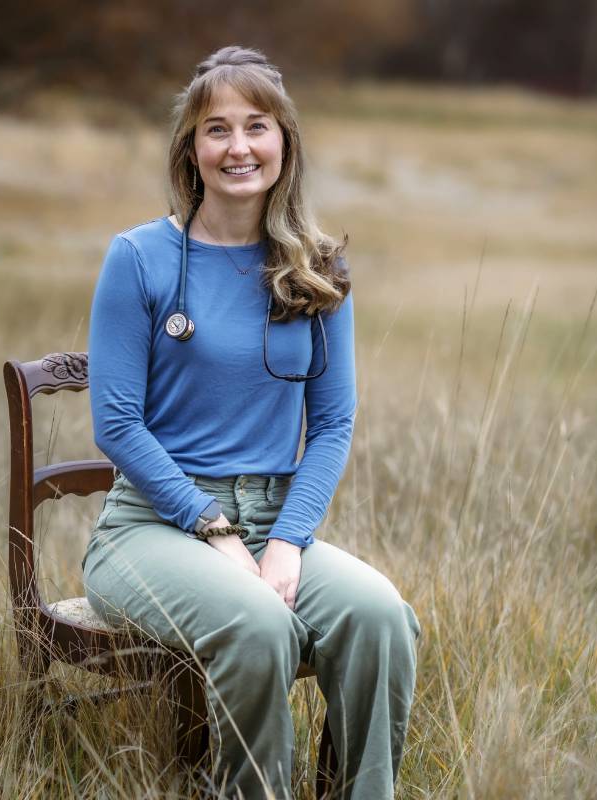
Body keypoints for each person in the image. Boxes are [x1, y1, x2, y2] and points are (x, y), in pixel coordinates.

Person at [82, 45, 420, 800]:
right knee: (257, 627)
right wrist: (213, 529)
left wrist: (290, 542)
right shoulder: (138, 258)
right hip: (149, 531)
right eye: (217, 129)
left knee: (381, 616)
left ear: (284, 143)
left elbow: (332, 424)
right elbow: (116, 422)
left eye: (257, 126)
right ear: (191, 150)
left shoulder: (318, 269)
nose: (238, 147)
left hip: (273, 525)